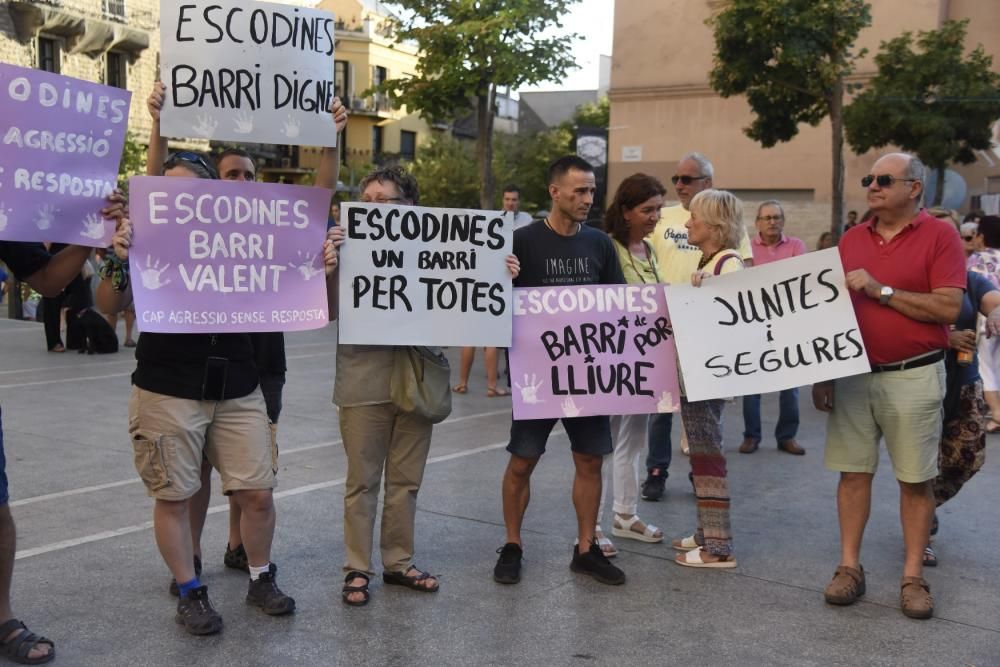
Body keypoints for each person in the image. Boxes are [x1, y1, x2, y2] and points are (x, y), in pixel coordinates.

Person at [98, 146, 337, 634]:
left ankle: (259, 576)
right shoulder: (140, 234)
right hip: (167, 385)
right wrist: (120, 256)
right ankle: (190, 591)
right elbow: (107, 302)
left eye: (192, 189)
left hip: (238, 381)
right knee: (175, 495)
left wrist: (319, 264)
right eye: (171, 191)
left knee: (259, 493)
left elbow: (297, 264)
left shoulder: (243, 234)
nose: (181, 199)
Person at [143, 84, 349, 585]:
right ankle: (189, 563)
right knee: (193, 480)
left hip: (257, 368)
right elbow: (154, 194)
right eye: (231, 174)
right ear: (215, 183)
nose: (240, 182)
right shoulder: (178, 223)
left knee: (252, 477)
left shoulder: (271, 226)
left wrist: (331, 136)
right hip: (185, 371)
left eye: (248, 176)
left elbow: (318, 198)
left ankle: (242, 550)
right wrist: (157, 122)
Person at [333, 166, 520, 605]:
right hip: (364, 375)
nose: (376, 208)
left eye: (387, 201)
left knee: (406, 480)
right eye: (369, 201)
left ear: (411, 207)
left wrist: (500, 272)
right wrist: (330, 265)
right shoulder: (346, 248)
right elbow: (324, 309)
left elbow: (473, 304)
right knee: (361, 481)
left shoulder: (444, 246)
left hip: (419, 374)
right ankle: (357, 568)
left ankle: (398, 562)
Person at [813, 152, 965, 620]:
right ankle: (849, 568)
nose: (872, 186)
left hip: (914, 374)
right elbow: (822, 309)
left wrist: (881, 290)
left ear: (914, 188)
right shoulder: (851, 239)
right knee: (852, 474)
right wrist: (822, 372)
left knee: (915, 479)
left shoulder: (941, 236)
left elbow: (946, 310)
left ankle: (913, 576)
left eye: (884, 179)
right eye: (869, 179)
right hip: (854, 375)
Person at [492, 156, 626, 587]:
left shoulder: (600, 245)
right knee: (522, 461)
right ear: (555, 192)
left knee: (590, 458)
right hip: (537, 376)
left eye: (591, 190)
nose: (588, 198)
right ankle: (512, 545)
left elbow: (620, 307)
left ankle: (586, 548)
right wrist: (503, 280)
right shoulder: (521, 242)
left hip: (588, 375)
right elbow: (493, 307)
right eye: (580, 190)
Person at [641, 152, 754, 501]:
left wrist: (710, 290)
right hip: (667, 329)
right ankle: (659, 473)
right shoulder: (669, 221)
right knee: (665, 412)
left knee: (704, 438)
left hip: (704, 351)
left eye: (687, 179)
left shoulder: (725, 248)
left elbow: (740, 284)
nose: (678, 185)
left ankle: (713, 532)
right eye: (676, 178)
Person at [669, 189, 745, 568]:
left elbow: (728, 318)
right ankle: (705, 532)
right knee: (700, 452)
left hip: (707, 376)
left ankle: (718, 546)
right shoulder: (712, 260)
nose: (687, 224)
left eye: (694, 217)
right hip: (697, 374)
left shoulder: (727, 264)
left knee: (708, 455)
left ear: (714, 225)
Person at [595, 174, 668, 555]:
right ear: (625, 212)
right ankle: (589, 525)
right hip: (612, 360)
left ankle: (625, 514)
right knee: (601, 442)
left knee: (633, 441)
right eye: (648, 209)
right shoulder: (607, 248)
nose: (656, 216)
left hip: (644, 361)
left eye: (658, 208)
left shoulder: (650, 251)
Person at [740, 200, 808, 456]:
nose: (772, 222)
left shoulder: (796, 246)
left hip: (787, 323)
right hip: (754, 322)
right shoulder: (746, 248)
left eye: (777, 217)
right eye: (767, 217)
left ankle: (787, 436)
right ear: (757, 222)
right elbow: (745, 282)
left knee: (790, 384)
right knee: (751, 383)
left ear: (783, 221)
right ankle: (751, 436)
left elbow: (797, 279)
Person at [966, 215, 1000, 433]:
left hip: (985, 322)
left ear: (982, 236)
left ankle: (997, 413)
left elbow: (971, 290)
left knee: (985, 368)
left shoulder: (976, 259)